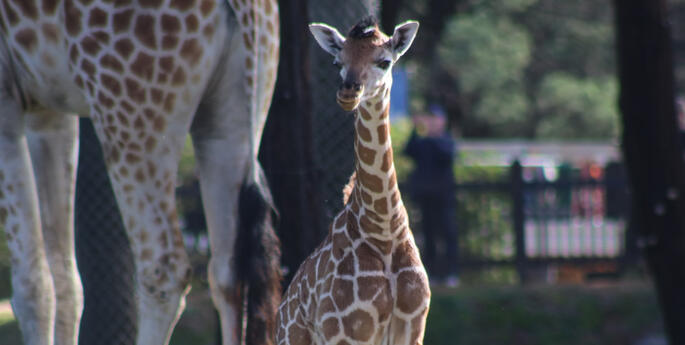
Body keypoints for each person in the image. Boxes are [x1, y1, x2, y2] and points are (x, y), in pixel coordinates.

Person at [404, 109, 459, 287]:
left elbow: (447, 156)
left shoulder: (446, 141)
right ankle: (431, 274)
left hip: (444, 197)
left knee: (448, 234)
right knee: (428, 236)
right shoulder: (422, 143)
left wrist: (434, 136)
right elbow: (408, 150)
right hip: (425, 196)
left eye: (435, 120)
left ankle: (452, 273)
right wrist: (415, 129)